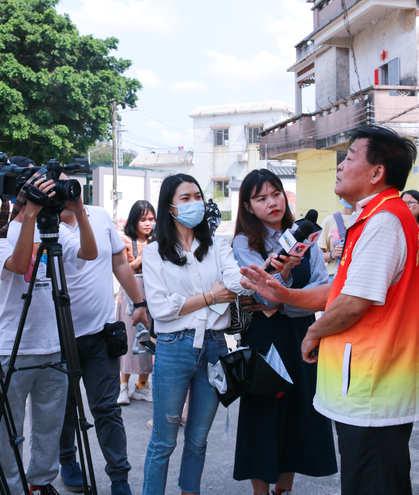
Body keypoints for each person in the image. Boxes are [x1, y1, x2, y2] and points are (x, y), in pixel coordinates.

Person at [240, 126, 419, 495]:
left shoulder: (384, 221)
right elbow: (339, 289)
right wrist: (285, 294)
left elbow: (353, 302)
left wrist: (314, 332)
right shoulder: (374, 218)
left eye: (350, 157)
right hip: (373, 383)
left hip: (376, 385)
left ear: (377, 173)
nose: (340, 166)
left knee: (372, 481)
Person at [0, 171, 97, 495]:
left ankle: (40, 481)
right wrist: (29, 215)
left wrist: (79, 211)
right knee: (7, 427)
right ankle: (9, 486)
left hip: (53, 343)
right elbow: (19, 266)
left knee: (49, 426)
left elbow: (89, 253)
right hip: (13, 344)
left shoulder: (57, 229)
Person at [141, 173, 252, 495]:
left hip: (215, 348)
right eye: (185, 198)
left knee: (199, 439)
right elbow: (160, 309)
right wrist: (209, 297)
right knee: (163, 440)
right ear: (170, 207)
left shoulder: (217, 244)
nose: (195, 203)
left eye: (198, 196)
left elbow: (234, 282)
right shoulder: (154, 252)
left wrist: (191, 302)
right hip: (174, 349)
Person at [231, 169, 336, 495]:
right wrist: (284, 281)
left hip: (301, 337)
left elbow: (324, 291)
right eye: (261, 198)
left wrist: (282, 302)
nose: (272, 203)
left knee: (298, 412)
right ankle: (260, 491)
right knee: (263, 414)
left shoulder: (306, 236)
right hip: (263, 340)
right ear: (248, 206)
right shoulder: (243, 242)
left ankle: (283, 490)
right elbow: (257, 292)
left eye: (275, 194)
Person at [56, 178, 145, 495]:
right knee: (64, 407)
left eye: (70, 185)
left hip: (101, 332)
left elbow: (119, 261)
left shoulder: (98, 214)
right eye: (58, 187)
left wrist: (140, 302)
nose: (67, 193)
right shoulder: (41, 224)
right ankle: (68, 461)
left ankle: (119, 478)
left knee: (107, 408)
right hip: (58, 337)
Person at [117, 200, 156, 406]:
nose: (148, 223)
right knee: (129, 339)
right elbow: (124, 269)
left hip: (152, 295)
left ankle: (142, 386)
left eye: (151, 219)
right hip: (130, 294)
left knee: (147, 339)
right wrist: (141, 258)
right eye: (143, 219)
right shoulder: (124, 240)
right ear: (134, 221)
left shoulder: (157, 241)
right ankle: (123, 387)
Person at [317, 198, 354, 281]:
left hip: (356, 276)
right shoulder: (329, 221)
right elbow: (317, 256)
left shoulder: (366, 220)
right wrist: (333, 254)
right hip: (334, 277)